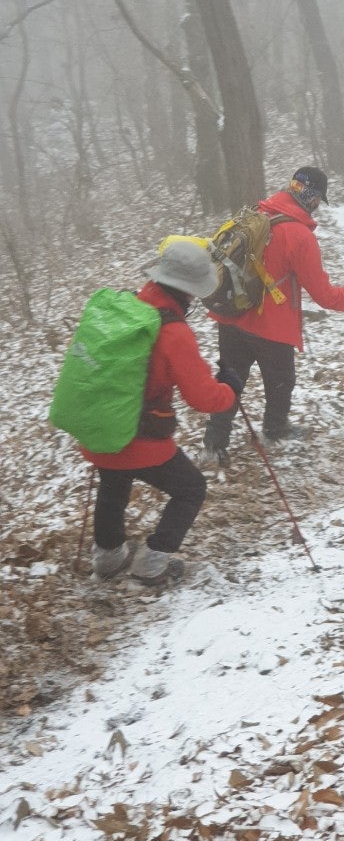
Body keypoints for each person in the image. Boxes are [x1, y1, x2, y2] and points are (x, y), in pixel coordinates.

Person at [82, 240, 244, 586]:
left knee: (113, 485)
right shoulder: (172, 331)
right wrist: (229, 389)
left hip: (101, 426)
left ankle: (108, 558)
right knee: (191, 488)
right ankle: (152, 563)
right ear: (189, 289)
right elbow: (203, 397)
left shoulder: (126, 307)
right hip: (139, 437)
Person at [202, 164, 344, 464]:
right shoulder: (299, 235)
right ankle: (275, 429)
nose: (317, 206)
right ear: (310, 196)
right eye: (317, 199)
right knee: (281, 381)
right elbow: (324, 295)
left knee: (229, 380)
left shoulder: (254, 214)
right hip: (272, 327)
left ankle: (213, 444)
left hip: (232, 315)